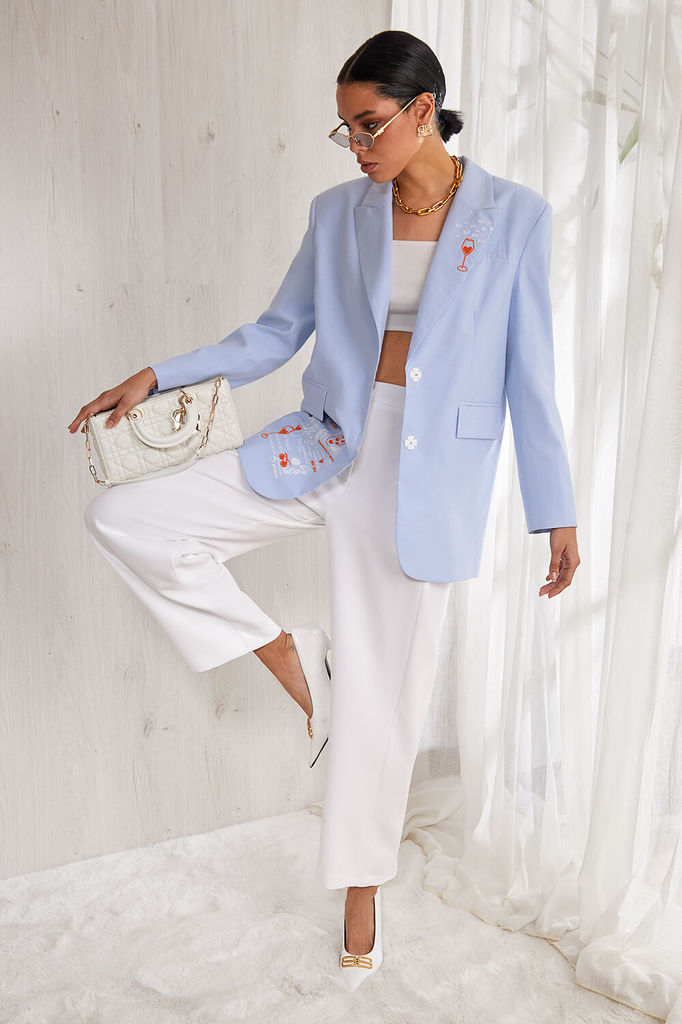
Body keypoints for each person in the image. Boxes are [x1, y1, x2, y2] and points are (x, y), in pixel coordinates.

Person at [67, 29, 580, 990]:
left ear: (423, 110)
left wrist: (555, 509)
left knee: (387, 698)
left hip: (429, 478)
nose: (355, 145)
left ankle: (361, 888)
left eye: (369, 124)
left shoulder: (515, 217)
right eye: (344, 129)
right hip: (326, 441)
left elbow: (532, 373)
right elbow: (275, 332)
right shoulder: (339, 211)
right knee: (127, 520)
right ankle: (291, 657)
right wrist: (158, 375)